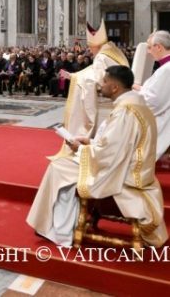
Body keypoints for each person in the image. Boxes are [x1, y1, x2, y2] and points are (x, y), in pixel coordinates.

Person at [27, 66, 168, 248]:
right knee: (63, 166)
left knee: (59, 168)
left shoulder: (125, 111)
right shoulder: (136, 104)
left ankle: (60, 231)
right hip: (129, 167)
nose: (101, 85)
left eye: (105, 81)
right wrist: (90, 142)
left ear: (115, 87)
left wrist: (81, 149)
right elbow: (117, 145)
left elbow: (110, 153)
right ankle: (59, 226)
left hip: (123, 176)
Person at [61, 19, 129, 137]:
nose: (89, 49)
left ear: (96, 45)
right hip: (122, 95)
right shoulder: (114, 52)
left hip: (108, 100)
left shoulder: (101, 57)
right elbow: (93, 71)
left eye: (90, 46)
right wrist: (73, 75)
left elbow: (97, 82)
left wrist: (74, 78)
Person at [133, 30, 170, 159]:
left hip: (163, 119)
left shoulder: (166, 69)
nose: (148, 52)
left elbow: (155, 102)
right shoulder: (165, 68)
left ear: (158, 47)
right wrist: (140, 89)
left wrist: (132, 97)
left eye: (149, 47)